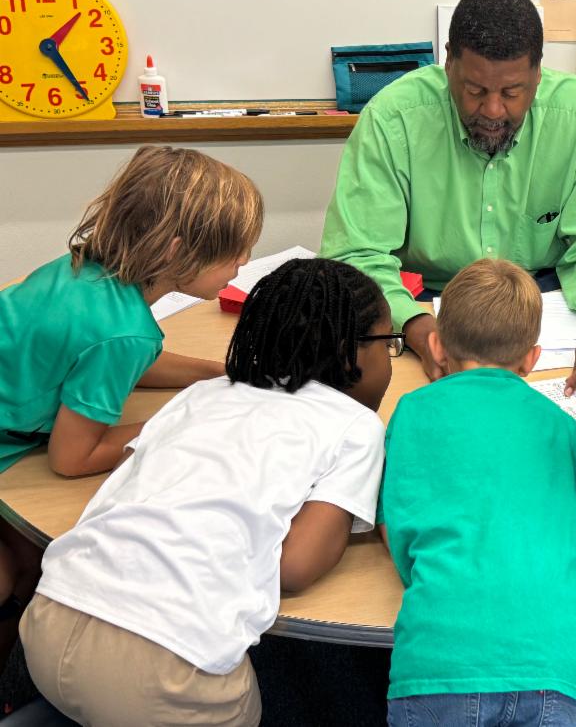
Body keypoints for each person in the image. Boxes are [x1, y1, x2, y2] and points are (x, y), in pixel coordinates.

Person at [21, 258, 393, 727]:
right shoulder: (356, 426)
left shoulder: (207, 392)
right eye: (389, 345)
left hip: (48, 617)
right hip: (167, 669)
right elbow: (295, 569)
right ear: (350, 353)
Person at [0, 145, 263, 670]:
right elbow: (71, 459)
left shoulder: (85, 274)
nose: (243, 265)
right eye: (234, 254)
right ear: (174, 252)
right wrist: (182, 418)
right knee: (22, 565)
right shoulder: (122, 332)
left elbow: (117, 361)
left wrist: (215, 373)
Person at [321, 0, 576, 400]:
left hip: (547, 301)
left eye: (512, 93)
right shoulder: (393, 119)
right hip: (425, 303)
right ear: (449, 62)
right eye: (475, 91)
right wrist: (417, 329)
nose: (493, 111)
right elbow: (355, 257)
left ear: (538, 74)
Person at [379, 258, 576, 727]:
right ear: (532, 359)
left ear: (437, 347)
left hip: (442, 659)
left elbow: (397, 531)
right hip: (561, 659)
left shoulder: (413, 410)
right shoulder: (563, 427)